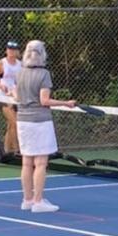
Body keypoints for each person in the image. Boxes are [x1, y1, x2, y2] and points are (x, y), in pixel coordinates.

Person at [14, 39, 77, 213]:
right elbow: (44, 100)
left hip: (22, 120)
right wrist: (66, 103)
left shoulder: (19, 73)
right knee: (41, 163)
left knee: (27, 162)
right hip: (40, 121)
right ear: (42, 55)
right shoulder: (44, 74)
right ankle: (38, 201)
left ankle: (27, 200)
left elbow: (16, 96)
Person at [0, 39, 23, 154]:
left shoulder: (20, 64)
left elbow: (21, 81)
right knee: (14, 122)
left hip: (16, 98)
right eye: (9, 49)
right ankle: (16, 150)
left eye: (13, 50)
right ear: (6, 50)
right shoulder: (1, 63)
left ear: (17, 52)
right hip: (3, 98)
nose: (11, 52)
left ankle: (6, 150)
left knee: (11, 125)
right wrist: (0, 85)